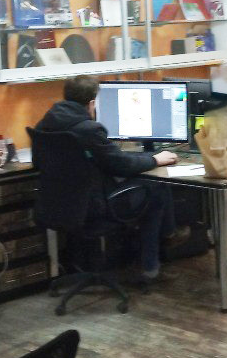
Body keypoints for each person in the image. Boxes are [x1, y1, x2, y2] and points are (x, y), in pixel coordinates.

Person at [36, 75, 179, 281]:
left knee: (147, 185)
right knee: (156, 186)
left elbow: (38, 162)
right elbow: (122, 164)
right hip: (95, 208)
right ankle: (156, 254)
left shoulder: (44, 125)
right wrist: (155, 159)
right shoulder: (89, 129)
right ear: (91, 103)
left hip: (59, 206)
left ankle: (160, 246)